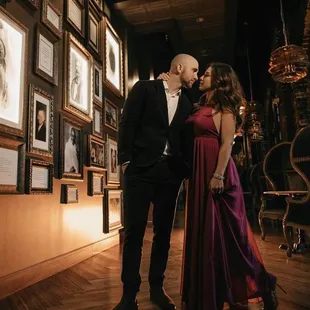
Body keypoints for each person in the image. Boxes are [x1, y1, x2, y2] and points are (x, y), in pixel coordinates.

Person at [159, 63, 280, 309]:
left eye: (206, 74)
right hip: (199, 172)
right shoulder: (200, 106)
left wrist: (218, 176)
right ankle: (213, 291)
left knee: (233, 239)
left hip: (218, 174)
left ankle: (264, 284)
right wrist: (166, 82)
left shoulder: (225, 109)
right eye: (201, 73)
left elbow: (226, 144)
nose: (202, 76)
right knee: (209, 237)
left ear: (220, 79)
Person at [113, 54, 199, 310]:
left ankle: (157, 288)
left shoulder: (187, 103)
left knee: (163, 234)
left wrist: (185, 171)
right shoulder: (144, 88)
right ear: (179, 68)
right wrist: (126, 160)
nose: (196, 75)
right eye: (194, 70)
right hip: (139, 170)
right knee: (133, 234)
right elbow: (127, 123)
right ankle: (129, 296)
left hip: (170, 174)